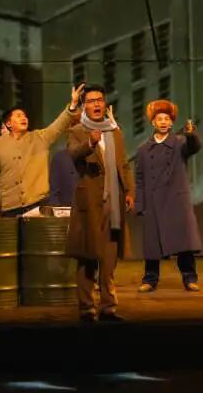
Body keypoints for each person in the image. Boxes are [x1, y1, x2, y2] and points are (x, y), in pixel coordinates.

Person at [66, 84, 134, 323]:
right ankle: (86, 308)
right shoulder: (78, 131)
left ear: (105, 104)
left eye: (99, 100)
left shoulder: (115, 131)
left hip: (114, 201)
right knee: (88, 255)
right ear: (84, 106)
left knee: (109, 257)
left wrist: (129, 191)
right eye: (91, 101)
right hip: (90, 202)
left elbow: (123, 164)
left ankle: (108, 307)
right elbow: (73, 154)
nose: (96, 104)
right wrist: (90, 144)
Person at [0, 86, 82, 217]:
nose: (24, 118)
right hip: (8, 207)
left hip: (36, 205)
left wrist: (72, 106)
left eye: (25, 116)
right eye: (19, 116)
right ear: (8, 124)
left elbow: (58, 126)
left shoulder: (40, 138)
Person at [135, 100, 203, 293]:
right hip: (153, 202)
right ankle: (150, 279)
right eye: (159, 119)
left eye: (167, 119)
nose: (163, 122)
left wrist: (191, 134)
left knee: (184, 243)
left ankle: (189, 278)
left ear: (172, 122)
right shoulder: (143, 149)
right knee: (152, 245)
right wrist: (140, 204)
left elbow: (194, 146)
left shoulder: (180, 143)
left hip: (176, 200)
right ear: (153, 122)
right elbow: (139, 178)